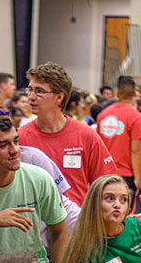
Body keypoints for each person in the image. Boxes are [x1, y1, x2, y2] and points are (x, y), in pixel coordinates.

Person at [0, 112, 67, 263]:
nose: (14, 150)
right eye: (3, 145)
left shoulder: (39, 178)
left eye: (15, 141)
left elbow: (59, 230)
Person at [17, 61, 116, 207]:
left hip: (76, 224)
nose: (31, 97)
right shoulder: (20, 137)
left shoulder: (85, 135)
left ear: (59, 97)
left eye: (39, 91)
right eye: (30, 90)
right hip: (35, 224)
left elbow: (107, 185)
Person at [96, 76, 141, 191]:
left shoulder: (103, 114)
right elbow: (135, 150)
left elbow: (97, 145)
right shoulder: (136, 116)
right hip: (125, 174)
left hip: (103, 173)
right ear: (134, 94)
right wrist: (137, 178)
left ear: (117, 93)